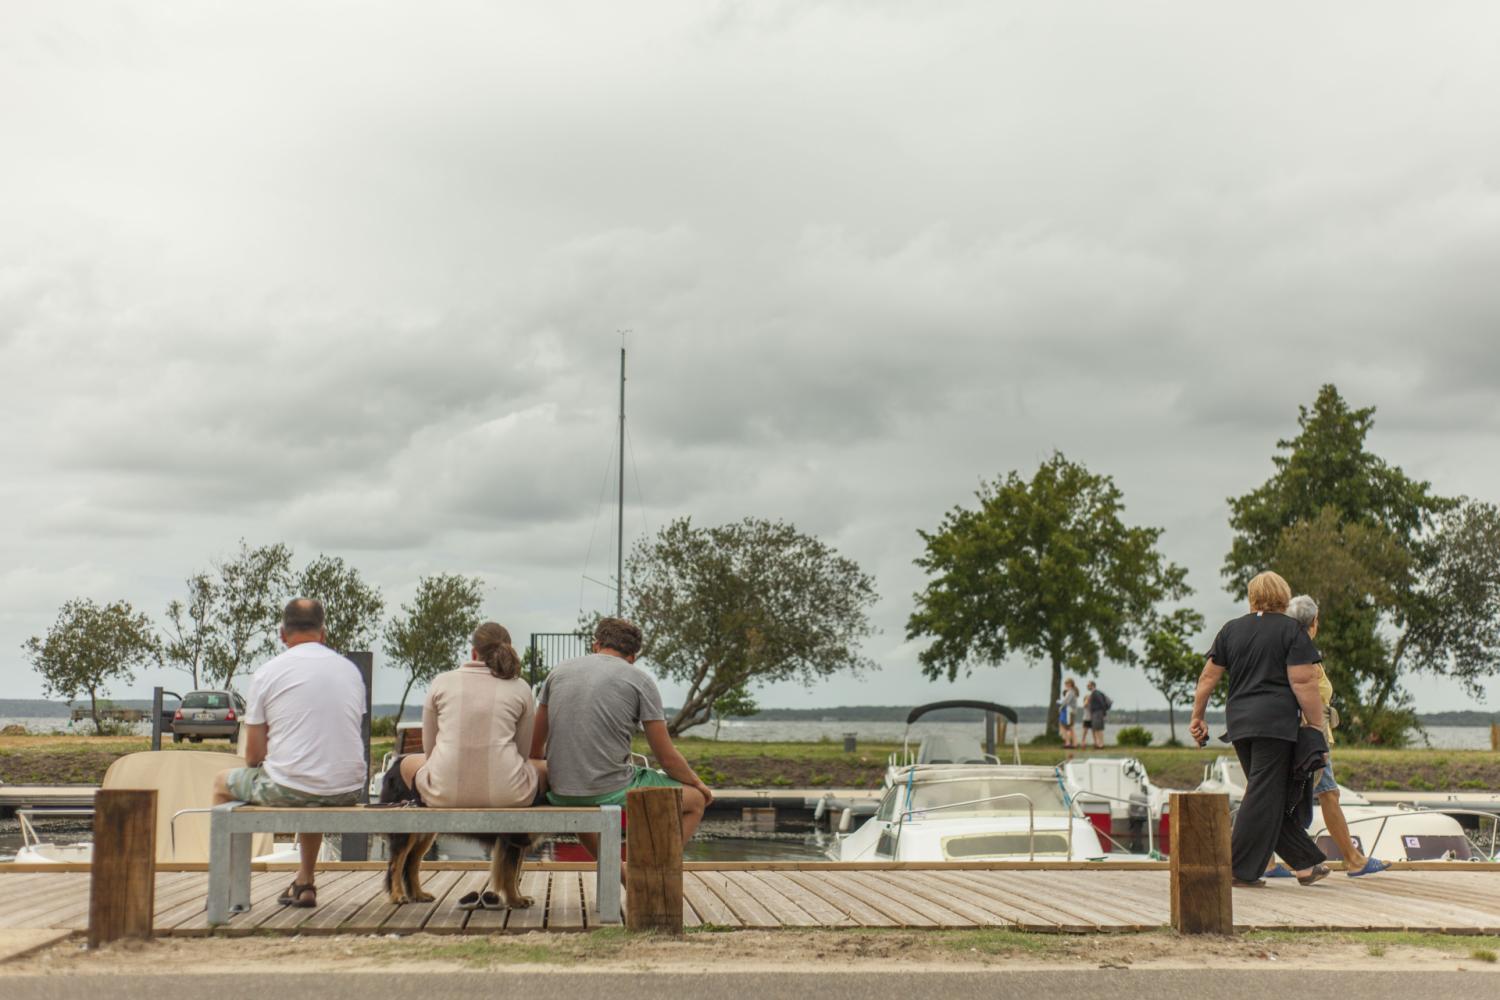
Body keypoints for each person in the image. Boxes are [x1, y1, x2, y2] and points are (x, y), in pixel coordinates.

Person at [213, 598, 366, 908]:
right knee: (312, 779)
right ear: (323, 634)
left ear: (282, 634)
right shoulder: (349, 671)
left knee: (221, 783)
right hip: (347, 789)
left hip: (293, 787)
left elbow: (253, 757)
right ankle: (305, 882)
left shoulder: (268, 673)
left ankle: (224, 888)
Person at [1189, 571, 1330, 888]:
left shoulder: (1231, 631)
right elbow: (1303, 681)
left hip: (1239, 723)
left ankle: (1305, 864)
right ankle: (1237, 868)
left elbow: (1208, 679)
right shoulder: (1291, 631)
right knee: (1264, 793)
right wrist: (1316, 725)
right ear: (1284, 595)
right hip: (1275, 724)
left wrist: (1197, 717)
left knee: (1267, 792)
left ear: (1252, 597)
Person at [530, 617, 713, 853]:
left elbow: (535, 747)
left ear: (596, 645)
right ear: (632, 657)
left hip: (562, 791)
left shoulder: (557, 673)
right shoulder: (640, 681)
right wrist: (699, 784)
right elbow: (666, 758)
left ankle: (624, 875)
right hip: (610, 790)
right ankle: (653, 869)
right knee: (696, 801)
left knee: (585, 807)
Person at [1285, 594, 1388, 878]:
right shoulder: (1305, 655)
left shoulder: (1293, 649)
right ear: (1313, 623)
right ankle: (1353, 860)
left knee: (1289, 798)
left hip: (1309, 737)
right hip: (1311, 740)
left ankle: (1274, 861)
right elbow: (1307, 699)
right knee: (1328, 794)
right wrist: (1319, 740)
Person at [395, 621, 546, 808]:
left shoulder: (441, 682)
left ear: (474, 653)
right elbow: (523, 754)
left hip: (442, 794)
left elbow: (430, 751)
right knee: (543, 770)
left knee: (405, 763)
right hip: (509, 795)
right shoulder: (520, 687)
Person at [1084, 680, 1111, 749]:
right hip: (1095, 713)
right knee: (1096, 728)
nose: (1087, 687)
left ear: (1092, 685)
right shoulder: (1094, 693)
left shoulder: (1096, 693)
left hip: (1098, 712)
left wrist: (1103, 713)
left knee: (1098, 729)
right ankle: (1099, 744)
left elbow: (1102, 703)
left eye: (1088, 685)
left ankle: (1101, 744)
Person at [1058, 679, 1080, 749]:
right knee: (1070, 727)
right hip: (1071, 711)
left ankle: (1069, 743)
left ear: (1070, 684)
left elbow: (1066, 701)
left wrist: (1060, 707)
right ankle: (1073, 743)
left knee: (1067, 727)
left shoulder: (1070, 692)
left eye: (1066, 683)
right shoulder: (1072, 692)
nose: (1065, 685)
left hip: (1069, 711)